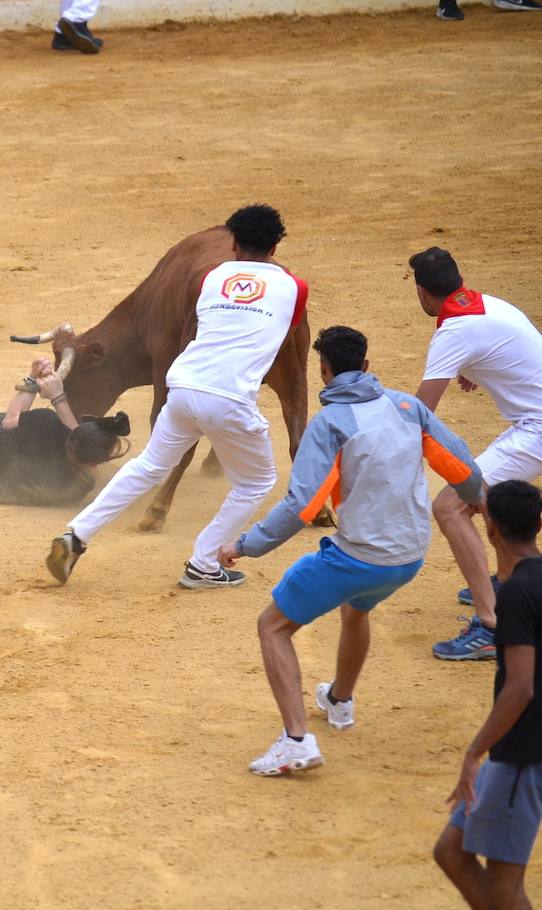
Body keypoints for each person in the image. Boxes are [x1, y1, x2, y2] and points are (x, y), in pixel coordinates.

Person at [218, 326, 483, 776]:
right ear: (366, 365)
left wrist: (245, 545)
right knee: (355, 610)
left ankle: (296, 741)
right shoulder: (406, 406)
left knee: (273, 627)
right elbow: (461, 465)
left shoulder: (329, 424)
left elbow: (302, 506)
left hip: (359, 557)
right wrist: (477, 495)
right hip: (410, 556)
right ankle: (339, 701)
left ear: (323, 371)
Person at [45, 204, 307, 590]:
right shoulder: (293, 285)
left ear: (233, 242)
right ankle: (203, 564)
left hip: (183, 387)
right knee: (257, 482)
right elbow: (286, 336)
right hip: (231, 399)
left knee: (148, 466)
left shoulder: (211, 279)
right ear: (276, 246)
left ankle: (76, 534)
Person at [408, 247, 542, 662]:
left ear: (422, 293)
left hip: (537, 430)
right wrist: (471, 367)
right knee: (485, 496)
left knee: (451, 505)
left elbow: (421, 411)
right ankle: (509, 580)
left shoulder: (453, 333)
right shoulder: (488, 304)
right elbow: (503, 345)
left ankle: (490, 625)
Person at [435, 480, 542, 908]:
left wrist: (473, 752)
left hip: (520, 753)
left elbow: (519, 688)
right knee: (450, 852)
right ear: (538, 524)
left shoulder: (516, 593)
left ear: (491, 529)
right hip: (519, 749)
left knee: (503, 887)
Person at [0, 356, 130, 506]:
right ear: (94, 465)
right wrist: (57, 397)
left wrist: (33, 380)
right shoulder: (80, 487)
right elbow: (75, 436)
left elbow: (9, 420)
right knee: (17, 437)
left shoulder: (46, 422)